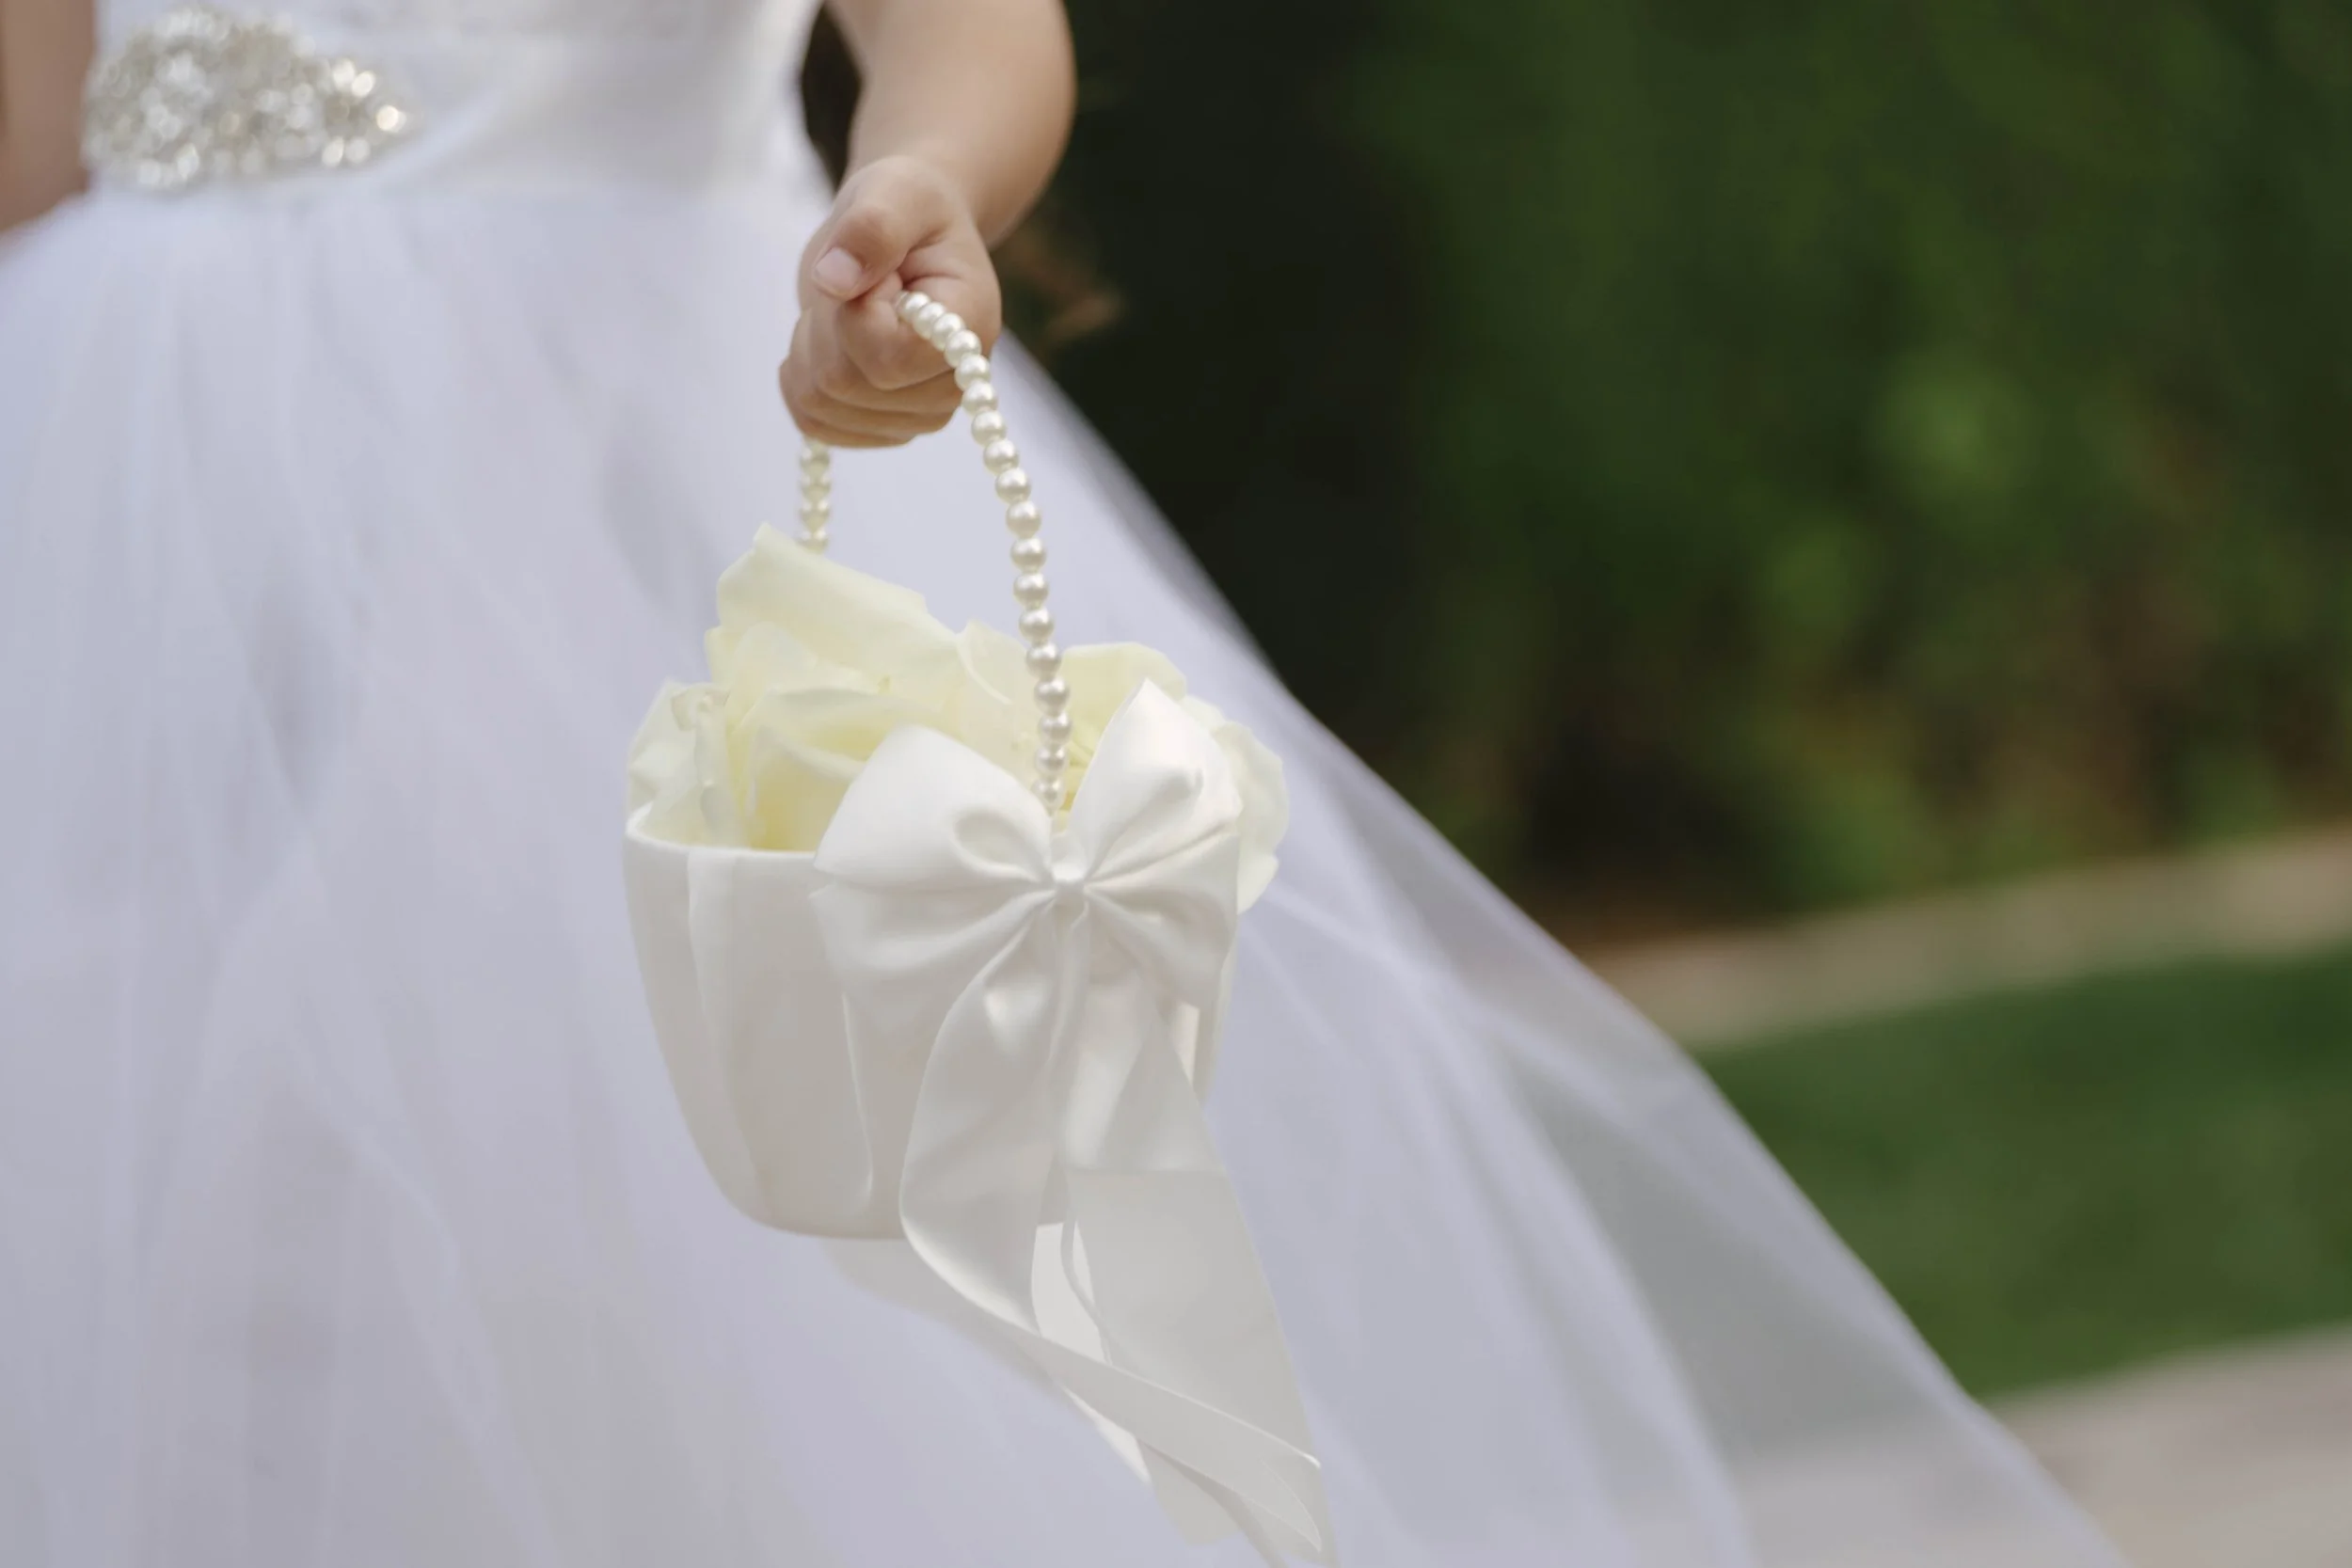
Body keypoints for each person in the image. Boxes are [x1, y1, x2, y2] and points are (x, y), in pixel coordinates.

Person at [0, 2, 2125, 1564]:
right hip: (125, 484)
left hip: (593, 468)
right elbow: (42, 117)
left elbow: (970, 35)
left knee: (635, 1154)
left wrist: (913, 185)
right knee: (137, 1173)